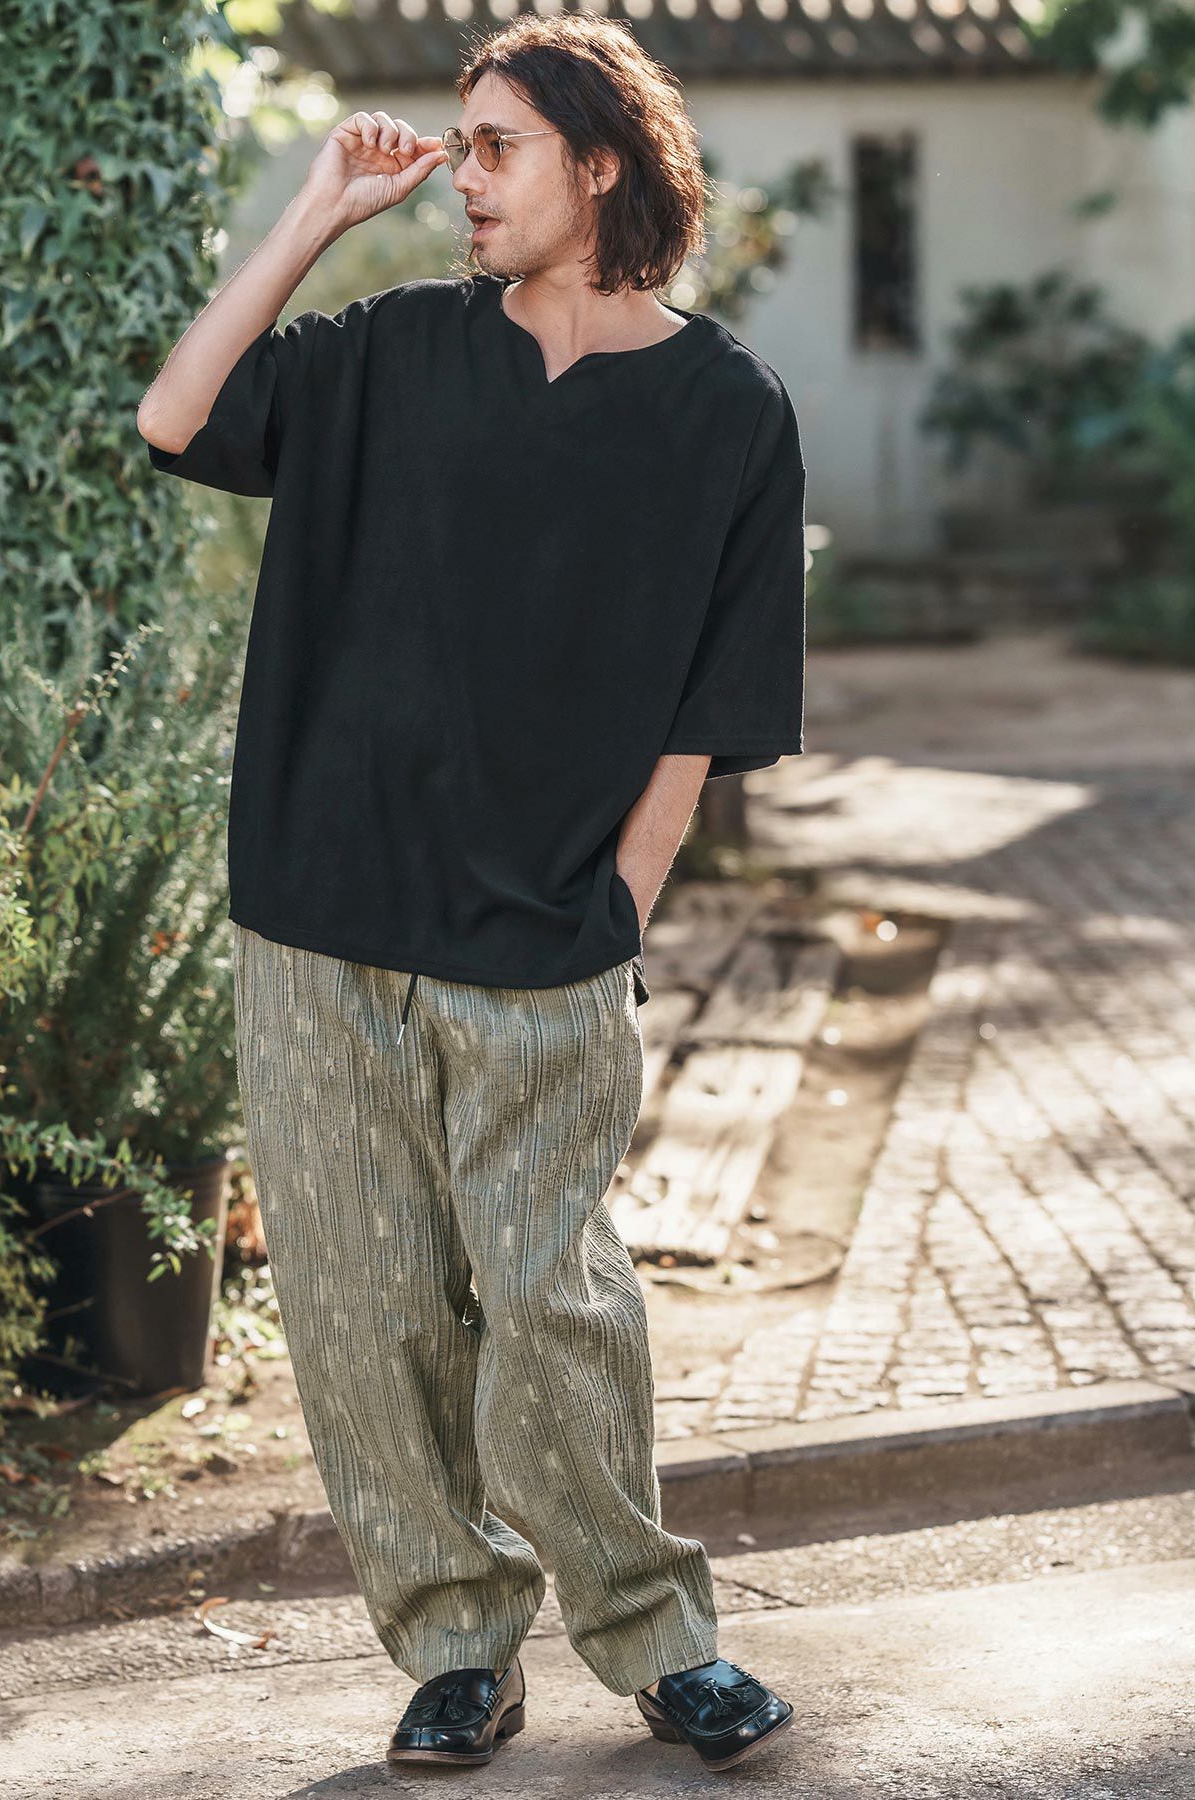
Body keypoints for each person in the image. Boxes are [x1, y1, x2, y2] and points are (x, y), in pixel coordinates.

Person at [139, 10, 803, 1776]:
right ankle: (455, 1645)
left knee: (554, 1298)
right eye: (463, 143)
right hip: (322, 905)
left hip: (547, 931)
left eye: (498, 145)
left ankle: (660, 1638)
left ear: (602, 163)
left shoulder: (728, 411)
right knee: (364, 1311)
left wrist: (627, 897)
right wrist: (313, 217)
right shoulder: (389, 351)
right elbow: (175, 414)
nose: (464, 176)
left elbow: (717, 703)